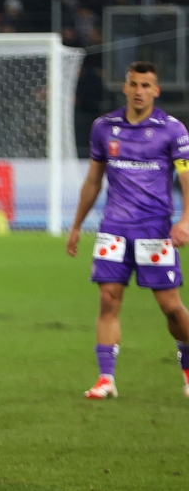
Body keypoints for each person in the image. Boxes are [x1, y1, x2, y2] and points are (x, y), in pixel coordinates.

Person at [67, 61, 189, 399]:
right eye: (134, 84)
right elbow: (93, 180)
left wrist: (186, 220)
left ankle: (188, 365)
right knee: (108, 300)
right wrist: (76, 226)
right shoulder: (104, 128)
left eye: (146, 86)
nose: (139, 91)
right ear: (125, 87)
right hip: (113, 230)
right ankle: (106, 379)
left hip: (155, 232)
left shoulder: (172, 130)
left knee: (171, 307)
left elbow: (186, 177)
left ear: (156, 90)